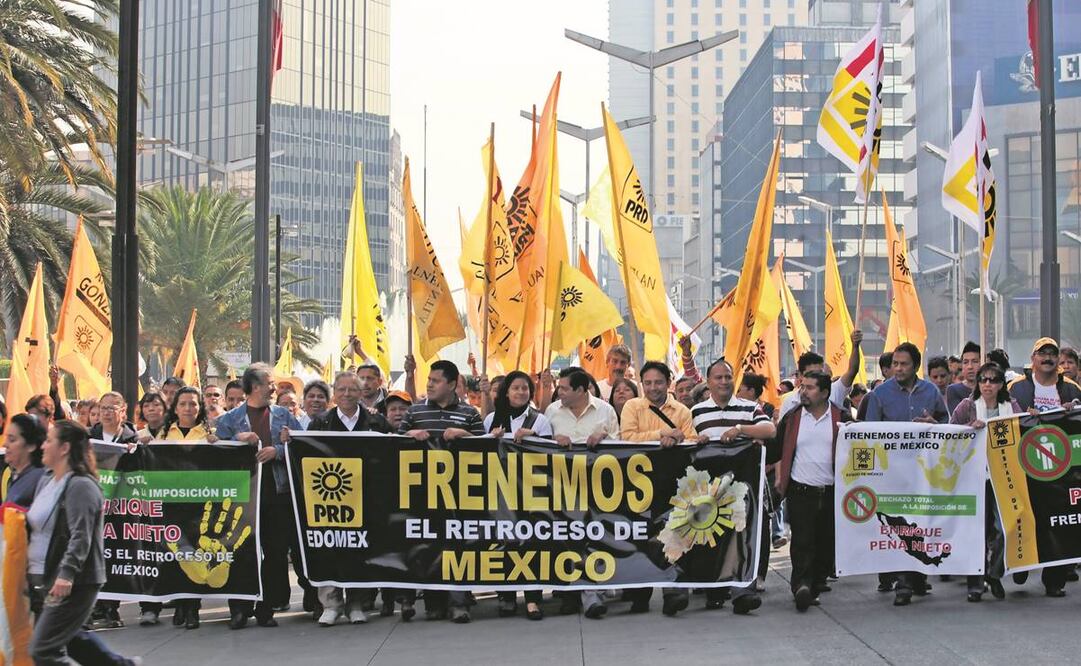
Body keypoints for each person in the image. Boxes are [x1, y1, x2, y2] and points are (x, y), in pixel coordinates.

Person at [215, 363, 303, 629]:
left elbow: (302, 444)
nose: (274, 388)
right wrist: (237, 440)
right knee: (240, 551)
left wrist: (278, 450)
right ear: (255, 386)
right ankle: (239, 609)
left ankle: (267, 607)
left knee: (275, 552)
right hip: (242, 495)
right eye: (270, 383)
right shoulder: (229, 419)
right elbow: (215, 448)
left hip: (277, 493)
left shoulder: (284, 416)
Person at [398, 360, 486, 623]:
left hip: (461, 494)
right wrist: (411, 434)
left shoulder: (470, 414)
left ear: (451, 384)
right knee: (428, 546)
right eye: (429, 380)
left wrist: (465, 435)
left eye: (436, 381)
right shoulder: (414, 413)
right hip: (422, 493)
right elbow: (394, 444)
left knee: (458, 547)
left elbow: (488, 449)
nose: (430, 384)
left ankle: (459, 602)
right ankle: (434, 603)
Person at [861, 342, 948, 606]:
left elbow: (946, 424)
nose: (898, 368)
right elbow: (869, 434)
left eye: (904, 364)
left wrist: (934, 425)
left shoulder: (931, 391)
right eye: (895, 364)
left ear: (916, 366)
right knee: (899, 523)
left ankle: (915, 576)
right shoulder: (880, 394)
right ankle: (904, 581)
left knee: (920, 522)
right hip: (892, 473)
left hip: (924, 473)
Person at [691, 358, 776, 615]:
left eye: (728, 377)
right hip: (709, 490)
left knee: (744, 539)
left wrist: (740, 429)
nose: (724, 382)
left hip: (743, 488)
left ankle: (743, 592)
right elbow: (687, 440)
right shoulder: (696, 412)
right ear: (709, 382)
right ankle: (715, 592)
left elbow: (769, 430)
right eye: (718, 378)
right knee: (712, 539)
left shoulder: (750, 408)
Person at [308, 372, 391, 626]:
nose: (346, 394)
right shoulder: (319, 423)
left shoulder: (376, 422)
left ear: (360, 392)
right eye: (341, 389)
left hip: (366, 499)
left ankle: (357, 603)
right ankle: (331, 604)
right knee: (328, 549)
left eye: (352, 389)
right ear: (334, 393)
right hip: (329, 500)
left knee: (361, 550)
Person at [619, 362, 697, 616]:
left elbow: (692, 439)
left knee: (672, 536)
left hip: (671, 483)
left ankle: (673, 592)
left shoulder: (682, 411)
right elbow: (628, 437)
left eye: (658, 382)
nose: (653, 388)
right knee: (641, 538)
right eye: (648, 383)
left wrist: (678, 439)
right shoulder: (633, 406)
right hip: (637, 484)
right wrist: (661, 434)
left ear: (668, 382)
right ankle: (640, 595)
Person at [770, 370, 851, 611]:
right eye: (802, 386)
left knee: (825, 543)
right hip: (799, 490)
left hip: (830, 492)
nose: (803, 392)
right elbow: (776, 448)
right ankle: (801, 586)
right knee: (802, 541)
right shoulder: (793, 418)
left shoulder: (841, 418)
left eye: (810, 388)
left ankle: (814, 585)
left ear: (825, 393)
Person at [27, 420, 106, 665]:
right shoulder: (47, 480)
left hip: (76, 582)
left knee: (44, 649)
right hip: (45, 578)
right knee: (71, 643)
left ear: (64, 448)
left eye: (49, 440)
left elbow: (80, 535)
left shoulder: (80, 485)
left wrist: (67, 574)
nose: (43, 446)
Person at [543, 368, 620, 619]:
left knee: (594, 537)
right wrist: (555, 441)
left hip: (598, 489)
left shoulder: (605, 411)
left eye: (564, 388)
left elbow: (623, 449)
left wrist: (604, 436)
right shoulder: (552, 411)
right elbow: (540, 446)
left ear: (580, 390)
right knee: (569, 539)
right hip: (562, 488)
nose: (559, 391)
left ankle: (590, 593)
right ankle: (578, 593)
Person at [1007, 337, 1081, 597]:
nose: (1048, 358)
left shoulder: (1072, 388)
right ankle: (1022, 562)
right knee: (1025, 515)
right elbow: (1006, 418)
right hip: (1025, 465)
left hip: (1063, 469)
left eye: (1052, 354)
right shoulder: (1015, 387)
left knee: (1060, 521)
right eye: (1042, 353)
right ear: (1033, 359)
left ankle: (1055, 580)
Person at [481, 371, 553, 620]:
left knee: (531, 544)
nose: (521, 392)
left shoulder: (539, 420)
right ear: (506, 392)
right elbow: (479, 451)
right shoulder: (491, 418)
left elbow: (552, 455)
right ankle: (507, 596)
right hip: (500, 492)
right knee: (503, 543)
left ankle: (533, 599)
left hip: (530, 492)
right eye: (516, 388)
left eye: (525, 388)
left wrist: (533, 437)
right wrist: (492, 439)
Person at [951, 362, 1019, 603]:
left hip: (1005, 478)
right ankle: (975, 584)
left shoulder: (1012, 407)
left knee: (1005, 529)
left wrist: (1032, 417)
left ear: (1001, 384)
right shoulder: (967, 407)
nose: (988, 384)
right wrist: (970, 430)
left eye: (993, 380)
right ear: (978, 383)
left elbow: (1024, 431)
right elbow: (950, 439)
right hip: (974, 478)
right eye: (983, 380)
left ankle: (994, 572)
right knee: (975, 532)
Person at [155, 386, 218, 629]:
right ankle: (180, 603)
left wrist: (219, 444)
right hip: (171, 504)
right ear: (175, 407)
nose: (188, 408)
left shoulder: (210, 433)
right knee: (174, 555)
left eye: (193, 403)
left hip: (198, 505)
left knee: (192, 554)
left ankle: (192, 608)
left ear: (200, 407)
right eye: (183, 404)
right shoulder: (162, 434)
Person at [778, 331, 863, 420]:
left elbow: (852, 371)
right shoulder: (790, 402)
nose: (816, 377)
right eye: (811, 374)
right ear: (800, 375)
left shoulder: (834, 390)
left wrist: (855, 346)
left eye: (819, 373)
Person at [2, 413, 46, 506]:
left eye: (12, 440)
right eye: (7, 438)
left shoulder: (40, 479)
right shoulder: (17, 475)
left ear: (31, 445)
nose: (5, 444)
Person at [946, 342, 981, 415]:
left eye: (975, 362)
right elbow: (958, 420)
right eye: (965, 362)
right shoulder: (953, 390)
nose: (970, 367)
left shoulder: (991, 387)